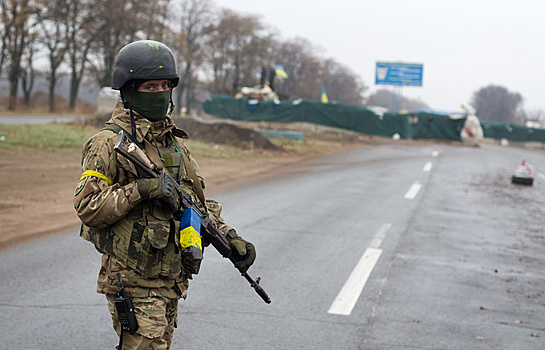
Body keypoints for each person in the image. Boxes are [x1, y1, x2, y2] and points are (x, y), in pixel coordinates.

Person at [73, 40, 256, 349]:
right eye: (149, 87)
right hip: (132, 279)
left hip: (170, 278)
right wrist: (142, 190)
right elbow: (88, 206)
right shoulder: (107, 144)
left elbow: (196, 204)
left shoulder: (174, 145)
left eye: (163, 85)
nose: (159, 93)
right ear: (129, 91)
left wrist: (229, 237)